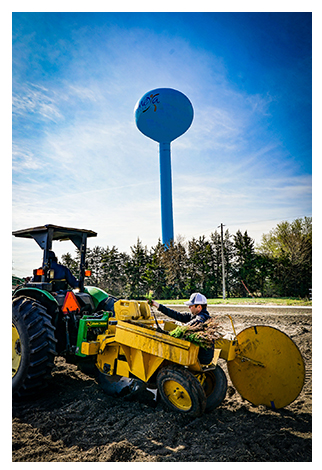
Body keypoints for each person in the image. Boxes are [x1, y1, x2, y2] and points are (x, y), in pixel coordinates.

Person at [151, 292, 214, 365]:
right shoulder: (193, 316)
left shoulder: (203, 318)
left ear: (199, 307)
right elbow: (176, 315)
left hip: (200, 358)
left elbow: (198, 321)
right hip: (203, 357)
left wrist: (181, 329)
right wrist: (157, 305)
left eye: (191, 306)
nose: (189, 307)